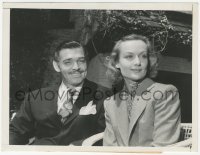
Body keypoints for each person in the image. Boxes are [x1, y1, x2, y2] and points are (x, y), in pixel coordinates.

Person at [10, 41, 112, 145]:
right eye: (68, 62)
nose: (76, 67)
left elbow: (109, 137)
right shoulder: (34, 98)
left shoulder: (105, 96)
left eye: (81, 61)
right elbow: (16, 132)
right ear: (57, 66)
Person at [103, 34, 181, 146]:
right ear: (117, 63)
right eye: (129, 56)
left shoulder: (165, 93)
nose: (138, 62)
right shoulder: (110, 103)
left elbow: (163, 147)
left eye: (143, 56)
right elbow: (109, 149)